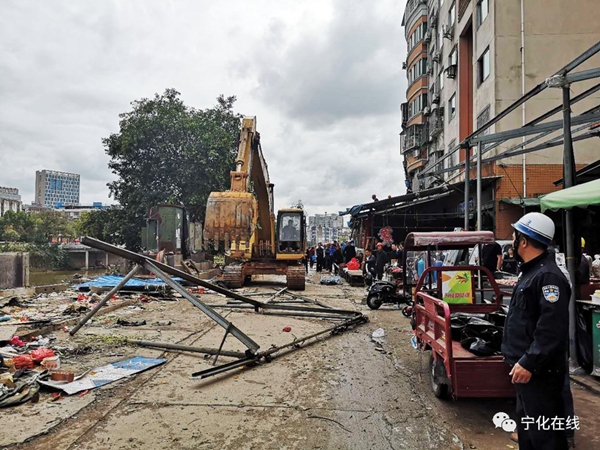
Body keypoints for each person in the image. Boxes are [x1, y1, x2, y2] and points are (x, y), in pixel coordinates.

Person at [501, 212, 570, 450]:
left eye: (514, 236)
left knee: (545, 438)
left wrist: (529, 362)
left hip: (539, 373)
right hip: (525, 371)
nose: (511, 241)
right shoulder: (530, 272)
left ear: (523, 241)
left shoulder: (548, 277)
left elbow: (551, 329)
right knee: (529, 433)